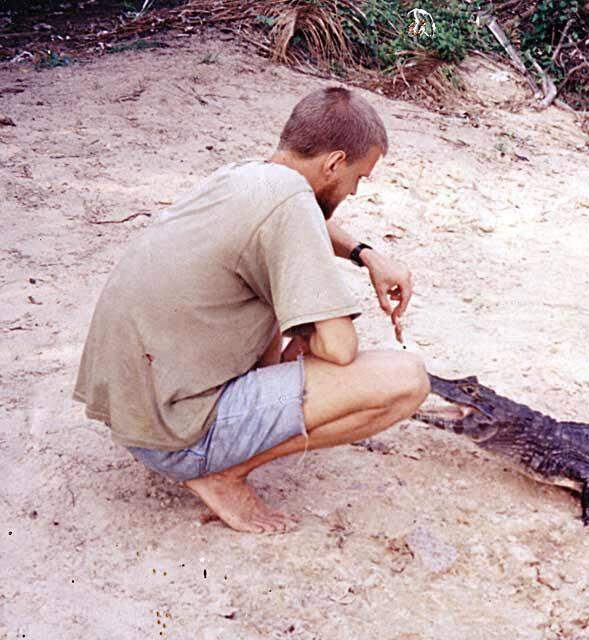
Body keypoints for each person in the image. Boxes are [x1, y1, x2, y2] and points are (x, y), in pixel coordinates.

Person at [73, 86, 429, 534]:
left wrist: (366, 255)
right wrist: (309, 337)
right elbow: (339, 349)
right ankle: (223, 474)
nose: (355, 190)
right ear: (335, 163)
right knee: (406, 380)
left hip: (134, 413)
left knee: (280, 306)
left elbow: (306, 219)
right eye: (359, 177)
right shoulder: (290, 203)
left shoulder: (245, 176)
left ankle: (228, 442)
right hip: (175, 437)